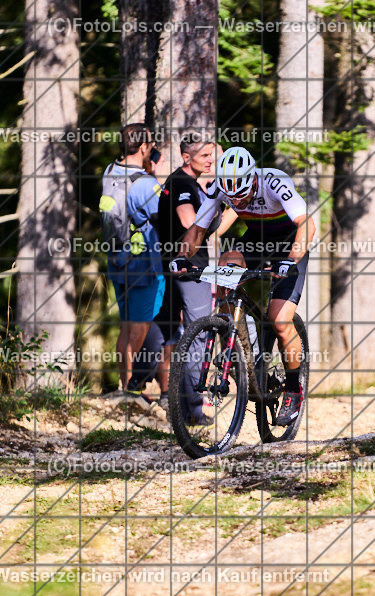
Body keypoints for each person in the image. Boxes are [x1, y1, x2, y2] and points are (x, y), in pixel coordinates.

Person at [170, 146, 316, 426]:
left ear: (254, 180)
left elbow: (305, 222)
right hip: (256, 240)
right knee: (226, 263)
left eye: (244, 194)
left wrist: (292, 260)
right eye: (233, 197)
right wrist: (182, 256)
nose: (239, 200)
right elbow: (198, 228)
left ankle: (294, 389)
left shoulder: (274, 181)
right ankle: (236, 336)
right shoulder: (221, 189)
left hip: (289, 243)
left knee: (280, 321)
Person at [153, 135, 219, 425]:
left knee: (170, 328)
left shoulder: (184, 182)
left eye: (211, 155)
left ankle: (147, 388)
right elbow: (186, 220)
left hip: (177, 264)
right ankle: (192, 410)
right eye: (204, 155)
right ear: (186, 157)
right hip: (190, 266)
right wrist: (215, 215)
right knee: (199, 333)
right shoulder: (181, 183)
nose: (209, 160)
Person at [100, 123, 165, 397]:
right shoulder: (146, 185)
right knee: (140, 330)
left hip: (117, 259)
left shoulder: (110, 173)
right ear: (142, 147)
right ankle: (130, 392)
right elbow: (165, 216)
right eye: (150, 144)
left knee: (126, 328)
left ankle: (126, 387)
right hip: (144, 264)